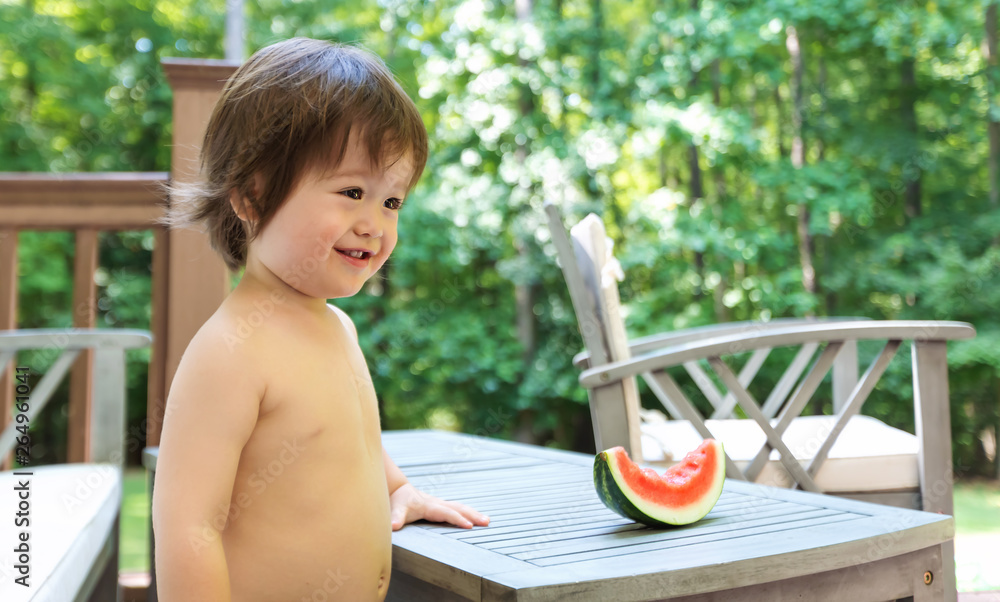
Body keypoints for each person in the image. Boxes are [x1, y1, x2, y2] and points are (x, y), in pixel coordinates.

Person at [151, 37, 489, 601]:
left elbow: (348, 440)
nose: (374, 224)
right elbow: (188, 527)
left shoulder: (338, 327)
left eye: (391, 202)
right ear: (253, 196)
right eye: (352, 191)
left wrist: (398, 488)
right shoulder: (231, 350)